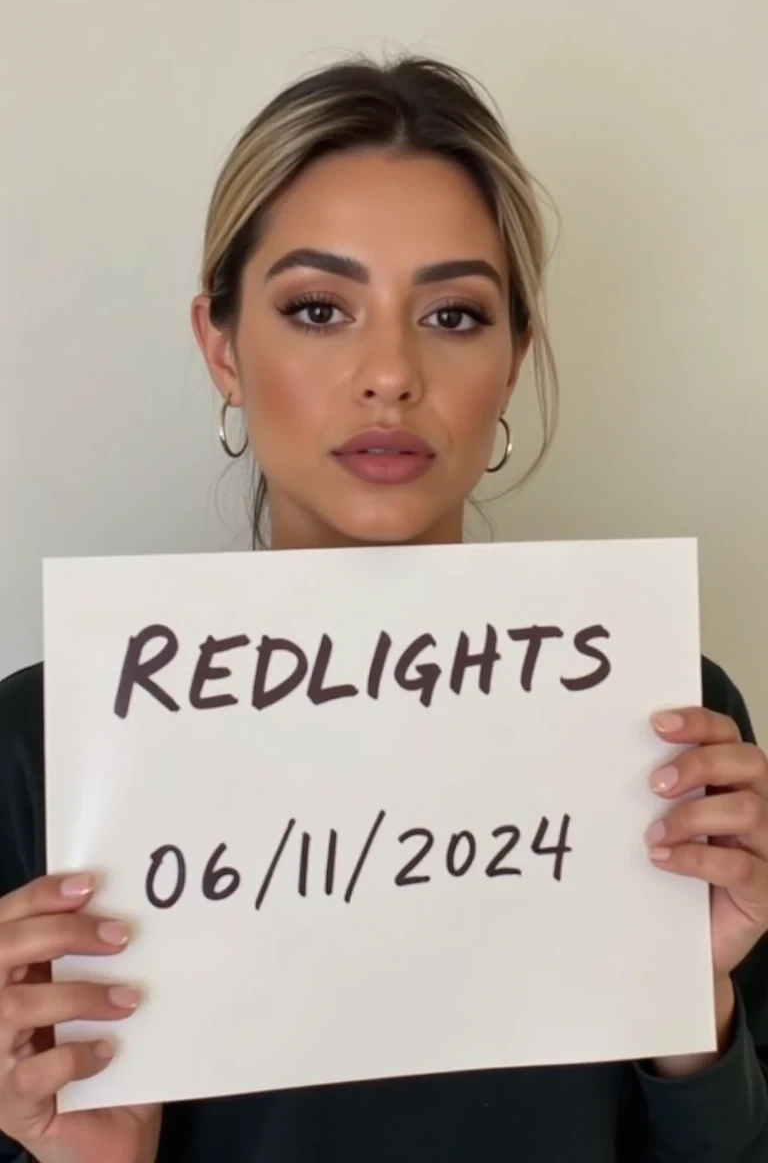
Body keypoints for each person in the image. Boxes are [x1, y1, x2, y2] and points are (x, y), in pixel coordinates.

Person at [0, 56, 766, 1163]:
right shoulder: (41, 752)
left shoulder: (669, 719)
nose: (390, 373)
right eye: (319, 308)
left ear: (512, 365)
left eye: (454, 314)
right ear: (221, 346)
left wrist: (692, 1011)